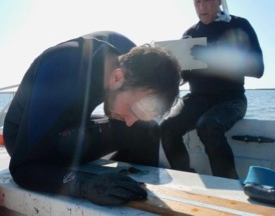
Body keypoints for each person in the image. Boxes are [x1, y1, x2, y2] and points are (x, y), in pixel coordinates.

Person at [3, 31, 181, 206]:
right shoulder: (64, 69)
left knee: (146, 129)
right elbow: (22, 168)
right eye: (133, 110)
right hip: (26, 140)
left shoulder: (129, 57)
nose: (128, 122)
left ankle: (132, 188)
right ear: (118, 77)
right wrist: (83, 185)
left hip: (72, 127)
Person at [160, 0, 264, 179]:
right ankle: (186, 179)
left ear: (218, 0)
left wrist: (213, 56)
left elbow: (258, 69)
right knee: (166, 128)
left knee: (207, 125)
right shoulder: (190, 34)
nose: (202, 6)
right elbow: (184, 77)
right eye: (197, 2)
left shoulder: (239, 26)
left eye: (207, 0)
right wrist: (171, 71)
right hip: (197, 98)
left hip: (231, 99)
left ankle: (229, 186)